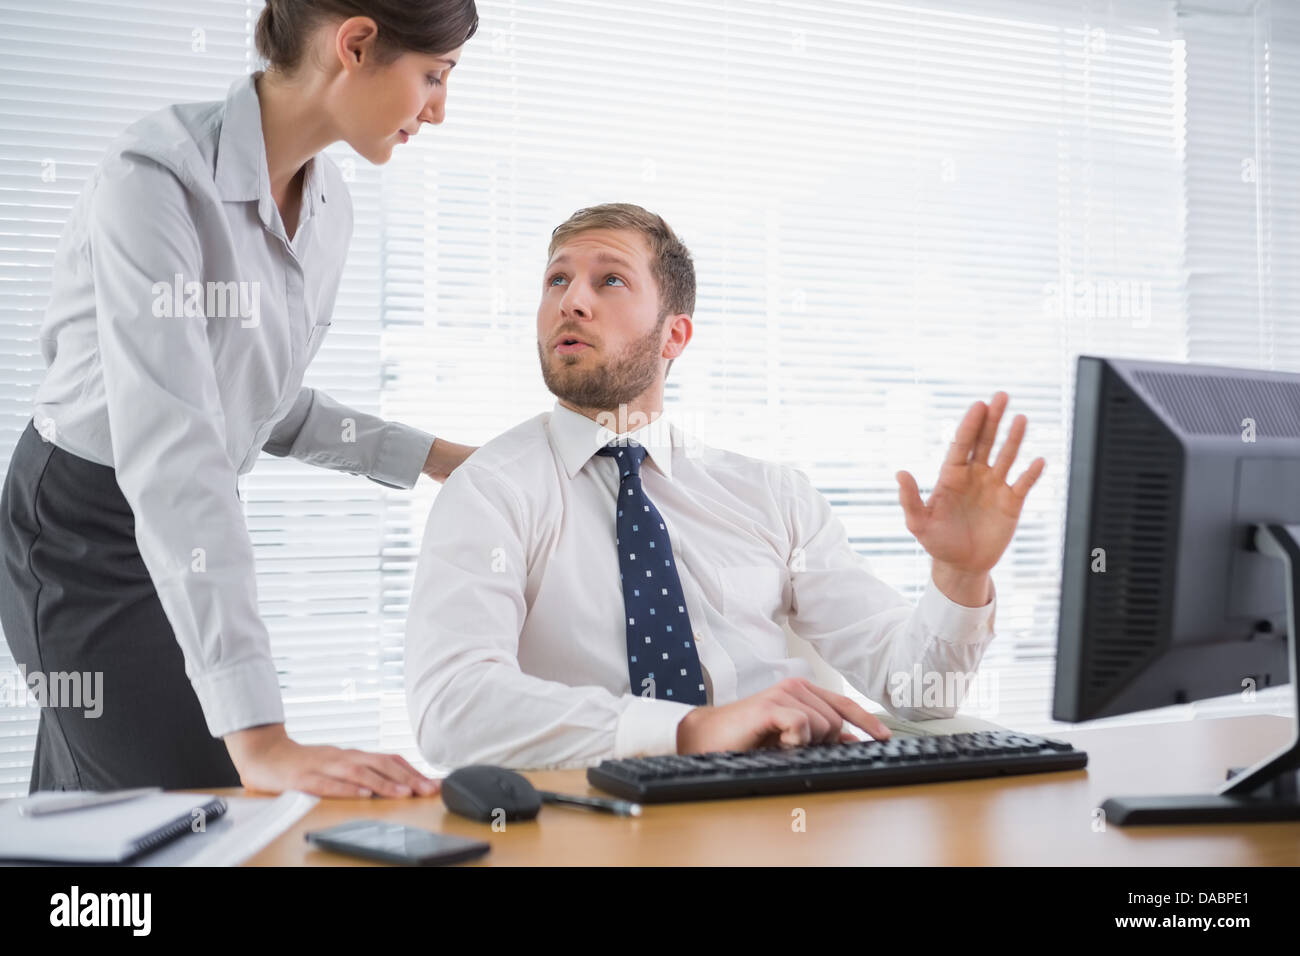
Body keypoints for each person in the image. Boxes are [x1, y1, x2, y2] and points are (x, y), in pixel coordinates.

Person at [0, 0, 480, 798]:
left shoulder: (328, 210)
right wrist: (261, 740)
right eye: (434, 76)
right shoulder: (154, 180)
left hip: (179, 514)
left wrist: (433, 458)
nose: (439, 109)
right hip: (79, 531)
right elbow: (172, 440)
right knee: (192, 801)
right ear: (356, 43)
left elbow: (261, 403)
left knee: (95, 809)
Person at [404, 202, 1046, 769]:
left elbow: (916, 695)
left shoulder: (774, 497)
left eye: (611, 280)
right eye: (557, 279)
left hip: (782, 815)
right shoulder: (489, 491)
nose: (572, 300)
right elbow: (452, 707)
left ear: (674, 335)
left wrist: (960, 577)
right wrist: (690, 730)